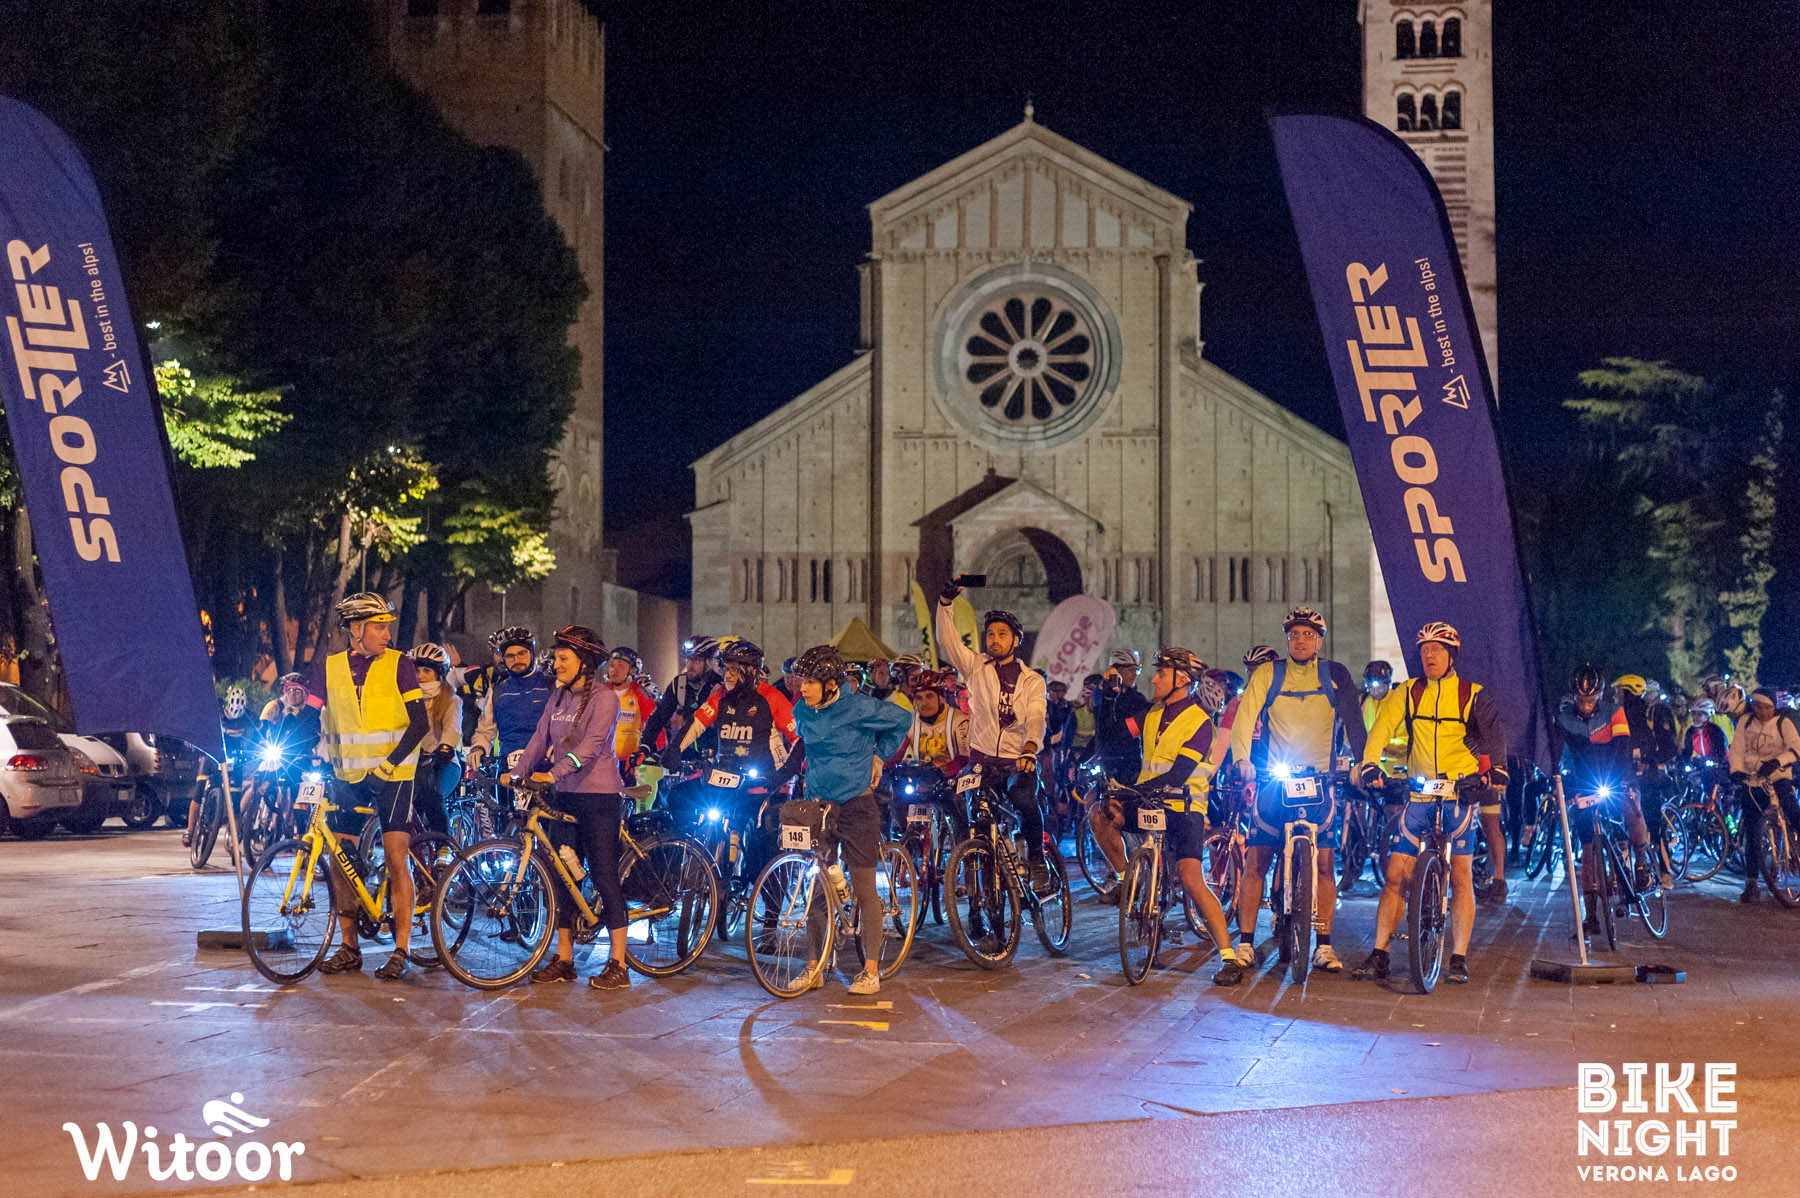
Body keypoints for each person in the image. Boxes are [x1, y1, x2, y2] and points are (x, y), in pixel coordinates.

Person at [1351, 623, 1506, 985]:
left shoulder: (1471, 694)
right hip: (1420, 794)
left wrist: (1497, 769)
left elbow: (1493, 734)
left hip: (1459, 794)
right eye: (1424, 651)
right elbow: (1381, 728)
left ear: (1452, 656)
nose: (1429, 656)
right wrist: (1370, 763)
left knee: (1461, 876)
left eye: (1436, 650)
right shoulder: (1408, 692)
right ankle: (1380, 953)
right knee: (1395, 876)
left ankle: (1458, 956)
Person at [1226, 607, 1366, 973]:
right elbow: (1245, 717)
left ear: (1319, 640)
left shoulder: (1335, 674)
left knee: (1325, 864)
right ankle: (1246, 942)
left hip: (1320, 780)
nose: (1300, 640)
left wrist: (1363, 762)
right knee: (1257, 861)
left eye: (1308, 634)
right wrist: (1242, 758)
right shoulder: (1269, 674)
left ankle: (1324, 945)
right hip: (1277, 780)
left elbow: (1354, 721)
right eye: (1294, 635)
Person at [309, 592, 430, 981]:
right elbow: (307, 717)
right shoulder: (329, 668)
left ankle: (401, 948)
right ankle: (349, 947)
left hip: (394, 776)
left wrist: (388, 765)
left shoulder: (400, 664)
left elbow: (420, 724)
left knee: (396, 855)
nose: (387, 634)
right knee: (340, 857)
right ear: (356, 630)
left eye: (387, 627)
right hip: (348, 776)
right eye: (379, 627)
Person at [503, 625, 628, 989]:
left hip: (599, 798)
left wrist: (553, 773)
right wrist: (517, 772)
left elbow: (590, 746)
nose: (555, 665)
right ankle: (565, 959)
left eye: (563, 659)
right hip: (566, 796)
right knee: (563, 875)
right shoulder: (558, 697)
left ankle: (619, 964)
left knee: (603, 875)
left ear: (584, 663)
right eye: (556, 658)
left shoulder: (605, 698)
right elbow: (539, 738)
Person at [788, 644, 913, 995]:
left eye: (810, 682)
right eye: (801, 681)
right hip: (818, 805)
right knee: (816, 890)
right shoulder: (802, 710)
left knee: (864, 888)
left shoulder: (859, 707)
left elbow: (902, 720)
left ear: (830, 684)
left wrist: (879, 755)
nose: (802, 688)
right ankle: (813, 967)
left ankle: (870, 972)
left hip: (857, 805)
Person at [1123, 649, 1241, 983]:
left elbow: (1179, 773)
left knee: (1191, 879)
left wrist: (1137, 789)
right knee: (1106, 813)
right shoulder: (1152, 714)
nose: (1154, 679)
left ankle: (1229, 958)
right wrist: (1111, 699)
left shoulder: (1199, 722)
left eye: (1161, 673)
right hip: (1151, 801)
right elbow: (1120, 735)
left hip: (1184, 807)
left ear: (1183, 679)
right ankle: (1132, 886)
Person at [936, 580, 1051, 886]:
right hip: (981, 761)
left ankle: (1036, 858)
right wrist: (945, 602)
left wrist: (1030, 748)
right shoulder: (975, 667)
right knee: (963, 805)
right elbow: (948, 640)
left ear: (1016, 641)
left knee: (1024, 799)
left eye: (1002, 634)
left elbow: (1036, 716)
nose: (994, 639)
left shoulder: (1032, 680)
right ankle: (973, 871)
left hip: (1017, 761)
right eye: (990, 634)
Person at [679, 639, 801, 888]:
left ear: (751, 671)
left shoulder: (771, 697)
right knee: (685, 800)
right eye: (726, 668)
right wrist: (674, 751)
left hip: (767, 781)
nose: (727, 675)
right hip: (731, 779)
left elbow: (799, 739)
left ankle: (767, 900)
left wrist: (784, 773)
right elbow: (696, 724)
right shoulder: (721, 697)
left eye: (734, 669)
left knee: (763, 849)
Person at [1558, 662, 1638, 935]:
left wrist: (1623, 780)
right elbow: (1564, 756)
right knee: (1588, 850)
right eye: (1581, 700)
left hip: (1613, 777)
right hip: (1584, 783)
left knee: (1624, 820)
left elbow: (1623, 750)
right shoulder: (1565, 719)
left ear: (1600, 695)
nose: (1586, 705)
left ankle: (1634, 870)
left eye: (1591, 700)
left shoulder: (1615, 712)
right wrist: (1566, 787)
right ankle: (1591, 916)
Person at [1728, 688, 1800, 903]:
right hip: (1753, 780)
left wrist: (1778, 761)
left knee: (1792, 811)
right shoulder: (1746, 722)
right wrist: (1736, 770)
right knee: (1752, 831)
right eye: (1757, 706)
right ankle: (1751, 883)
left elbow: (1796, 748)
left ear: (1773, 707)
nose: (1761, 711)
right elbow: (1737, 749)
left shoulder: (1783, 723)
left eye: (1766, 707)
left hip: (1778, 776)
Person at [465, 627, 553, 781]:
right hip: (508, 770)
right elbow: (485, 730)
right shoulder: (497, 691)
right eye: (510, 656)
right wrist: (478, 747)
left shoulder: (552, 686)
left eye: (522, 653)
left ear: (532, 653)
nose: (517, 660)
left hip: (545, 768)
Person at [409, 643, 461, 837]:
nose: (420, 675)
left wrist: (446, 746)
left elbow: (452, 727)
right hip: (414, 762)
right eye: (417, 670)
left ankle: (443, 845)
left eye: (426, 671)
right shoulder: (408, 697)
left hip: (443, 762)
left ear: (439, 673)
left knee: (433, 796)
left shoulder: (451, 699)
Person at [644, 636, 722, 759]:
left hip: (715, 755)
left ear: (709, 663)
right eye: (688, 659)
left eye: (696, 660)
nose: (690, 665)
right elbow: (658, 717)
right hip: (683, 753)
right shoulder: (679, 684)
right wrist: (645, 745)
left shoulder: (720, 686)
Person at [1091, 650, 1150, 784]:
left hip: (1132, 761)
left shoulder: (1137, 698)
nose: (1134, 675)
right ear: (1117, 671)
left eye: (1137, 670)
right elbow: (1102, 728)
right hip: (1108, 759)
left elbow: (1136, 730)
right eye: (1131, 670)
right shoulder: (1101, 694)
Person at [605, 646, 657, 780]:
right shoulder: (601, 693)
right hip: (603, 763)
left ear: (633, 670)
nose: (614, 670)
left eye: (620, 666)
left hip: (631, 764)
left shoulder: (640, 695)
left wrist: (656, 754)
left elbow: (655, 726)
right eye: (612, 665)